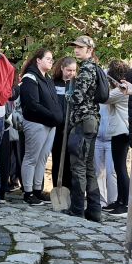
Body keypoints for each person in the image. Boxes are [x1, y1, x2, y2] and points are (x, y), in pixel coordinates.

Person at [64, 36, 102, 222]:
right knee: (88, 167)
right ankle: (94, 210)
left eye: (80, 47)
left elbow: (77, 98)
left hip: (83, 121)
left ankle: (77, 208)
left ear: (89, 49)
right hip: (91, 121)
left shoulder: (87, 68)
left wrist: (68, 92)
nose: (76, 50)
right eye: (75, 47)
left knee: (78, 166)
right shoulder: (94, 67)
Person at [19, 48, 63, 206]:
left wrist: (56, 116)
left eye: (52, 59)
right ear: (38, 60)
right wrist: (53, 116)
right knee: (31, 158)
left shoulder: (47, 78)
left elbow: (53, 101)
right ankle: (28, 192)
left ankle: (37, 190)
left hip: (50, 124)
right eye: (48, 58)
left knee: (42, 159)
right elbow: (32, 104)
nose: (51, 61)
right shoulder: (30, 78)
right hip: (36, 123)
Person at [103, 60, 132, 216]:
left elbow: (104, 97)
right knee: (119, 167)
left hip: (121, 131)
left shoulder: (121, 90)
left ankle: (125, 203)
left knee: (120, 167)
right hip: (123, 130)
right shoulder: (125, 88)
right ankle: (120, 200)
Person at [50, 57, 77, 190]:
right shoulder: (53, 83)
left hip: (72, 127)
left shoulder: (77, 85)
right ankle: (57, 187)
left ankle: (69, 189)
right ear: (62, 68)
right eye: (68, 70)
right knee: (57, 157)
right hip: (56, 127)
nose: (71, 73)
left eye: (74, 70)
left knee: (70, 159)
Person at [95, 102, 117, 208]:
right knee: (98, 172)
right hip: (98, 138)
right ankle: (101, 201)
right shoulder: (97, 99)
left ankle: (113, 201)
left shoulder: (115, 96)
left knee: (111, 172)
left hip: (111, 140)